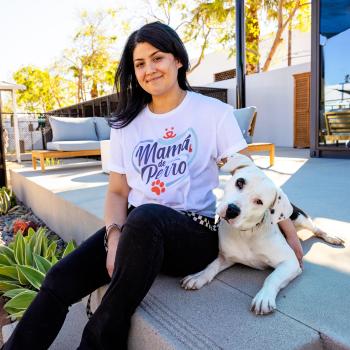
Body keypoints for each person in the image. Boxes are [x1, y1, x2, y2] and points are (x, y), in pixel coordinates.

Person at [3, 22, 303, 350]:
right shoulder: (125, 124)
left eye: (157, 58)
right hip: (136, 227)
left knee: (145, 216)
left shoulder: (213, 113)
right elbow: (117, 192)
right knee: (60, 279)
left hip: (193, 232)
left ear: (178, 60)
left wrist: (286, 230)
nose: (149, 70)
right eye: (140, 63)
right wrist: (114, 238)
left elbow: (253, 177)